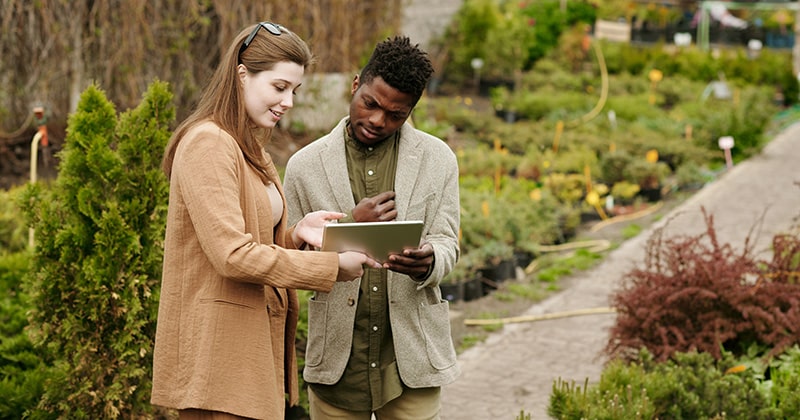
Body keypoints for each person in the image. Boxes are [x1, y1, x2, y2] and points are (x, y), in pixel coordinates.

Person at [151, 22, 379, 420]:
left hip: (247, 353)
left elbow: (249, 240)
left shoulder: (248, 148)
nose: (289, 101)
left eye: (294, 90)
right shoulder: (209, 143)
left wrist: (297, 234)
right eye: (279, 87)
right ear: (242, 75)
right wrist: (330, 266)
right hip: (218, 361)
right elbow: (232, 256)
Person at [283, 35, 461, 419]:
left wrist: (430, 262)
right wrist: (350, 224)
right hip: (338, 367)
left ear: (412, 110)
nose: (379, 120)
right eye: (370, 104)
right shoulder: (304, 166)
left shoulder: (438, 160)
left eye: (396, 115)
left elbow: (448, 242)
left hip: (411, 361)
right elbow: (288, 257)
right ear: (355, 85)